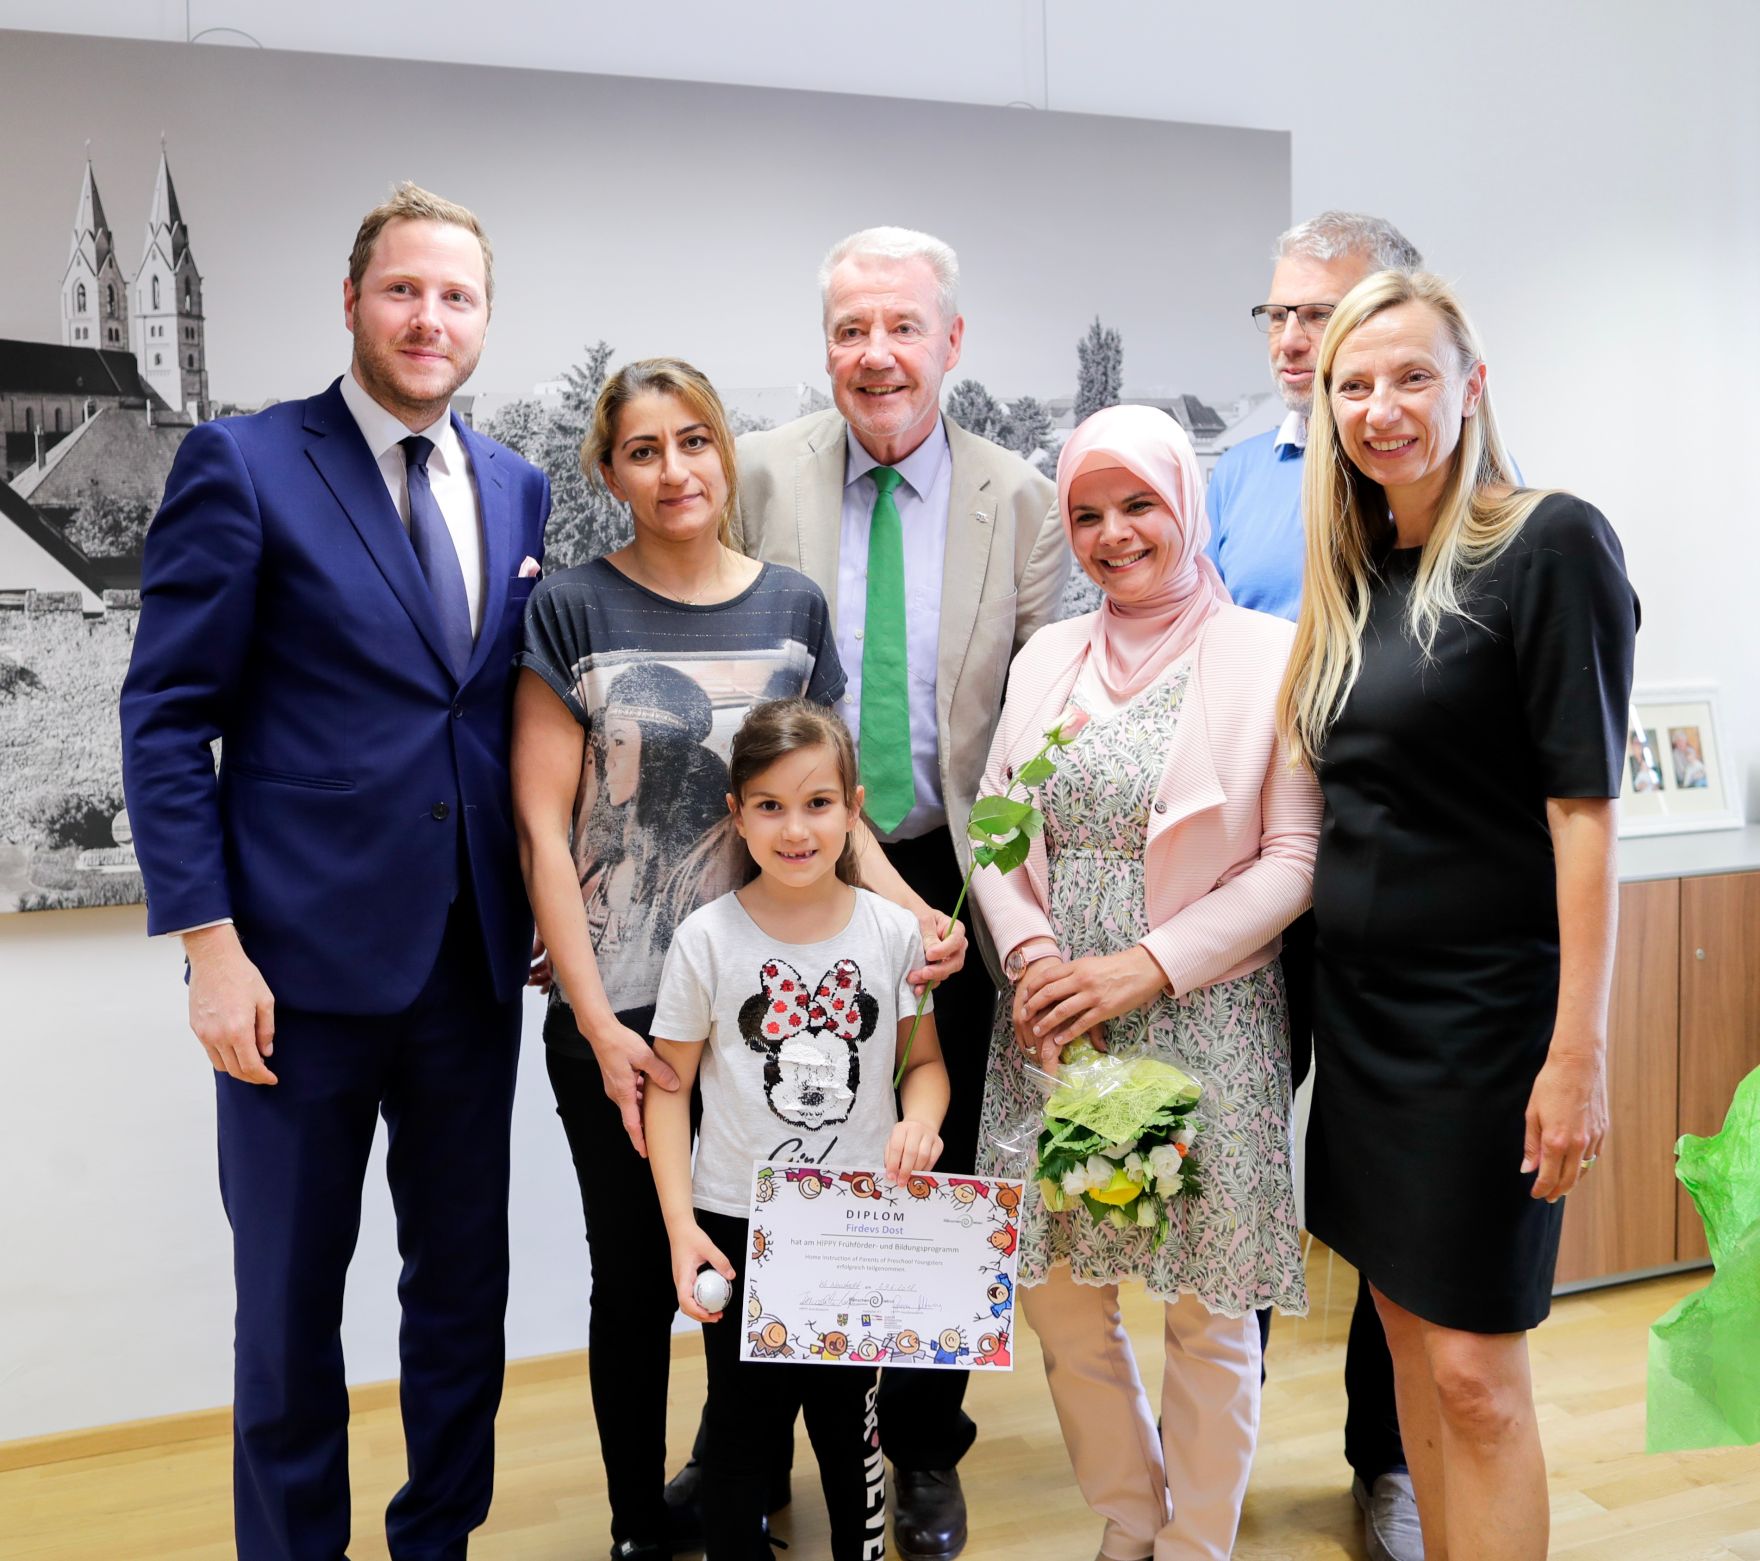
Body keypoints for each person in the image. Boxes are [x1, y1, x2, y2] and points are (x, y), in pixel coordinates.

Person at [118, 184, 550, 1559]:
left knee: (461, 1293)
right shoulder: (244, 465)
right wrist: (210, 948)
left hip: (474, 966)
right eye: (406, 290)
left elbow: (490, 714)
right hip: (291, 975)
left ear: (484, 319)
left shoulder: (514, 483)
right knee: (292, 1305)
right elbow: (165, 715)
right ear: (354, 303)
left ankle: (439, 1538)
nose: (432, 318)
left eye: (458, 296)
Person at [512, 357, 953, 1561]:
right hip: (627, 1004)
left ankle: (738, 1483)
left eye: (693, 441)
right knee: (639, 1271)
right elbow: (544, 832)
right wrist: (596, 1017)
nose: (674, 471)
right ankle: (632, 1526)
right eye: (643, 450)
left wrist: (913, 910)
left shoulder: (793, 607)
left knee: (760, 1268)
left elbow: (830, 799)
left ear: (726, 453)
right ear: (609, 471)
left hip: (778, 1002)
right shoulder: (571, 611)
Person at [709, 225, 1068, 1559]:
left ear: (951, 343)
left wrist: (1001, 907)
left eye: (903, 326)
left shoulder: (1020, 501)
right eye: (853, 328)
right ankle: (756, 1446)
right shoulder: (758, 475)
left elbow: (1038, 735)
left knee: (938, 1162)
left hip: (952, 876)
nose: (877, 353)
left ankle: (923, 1451)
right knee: (770, 1156)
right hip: (789, 869)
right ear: (827, 346)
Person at [1279, 270, 1638, 1561]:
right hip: (1364, 1020)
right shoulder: (1357, 569)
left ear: (1471, 385)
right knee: (1412, 1346)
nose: (1382, 407)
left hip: (1489, 1021)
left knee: (1480, 1377)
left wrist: (1574, 1054)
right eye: (1354, 384)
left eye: (1412, 375)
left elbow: (1584, 813)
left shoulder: (1548, 543)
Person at [974, 404, 1318, 1561]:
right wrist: (1030, 956)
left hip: (1200, 1009)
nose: (1112, 534)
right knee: (1065, 1298)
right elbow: (994, 830)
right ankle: (1128, 1517)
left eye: (1138, 505)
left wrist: (1144, 966)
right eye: (1086, 513)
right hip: (1055, 1019)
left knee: (1206, 1308)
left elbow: (1294, 858)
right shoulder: (1045, 658)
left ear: (1188, 503)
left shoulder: (1270, 655)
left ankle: (1197, 1539)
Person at [1204, 209, 1425, 1561]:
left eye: (1318, 313)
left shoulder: (1438, 495)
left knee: (1391, 1182)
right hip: (1252, 887)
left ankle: (1386, 1460)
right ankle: (1221, 1437)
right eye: (1275, 314)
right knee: (1234, 1166)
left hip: (1402, 889)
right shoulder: (1230, 481)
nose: (1291, 337)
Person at [645, 698, 951, 1561]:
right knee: (738, 1440)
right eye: (770, 805)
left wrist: (921, 1125)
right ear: (736, 814)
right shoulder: (706, 941)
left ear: (855, 811)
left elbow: (924, 1066)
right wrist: (682, 1227)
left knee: (850, 1437)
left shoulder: (895, 934)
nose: (795, 828)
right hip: (740, 1228)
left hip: (857, 1228)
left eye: (818, 803)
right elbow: (667, 1090)